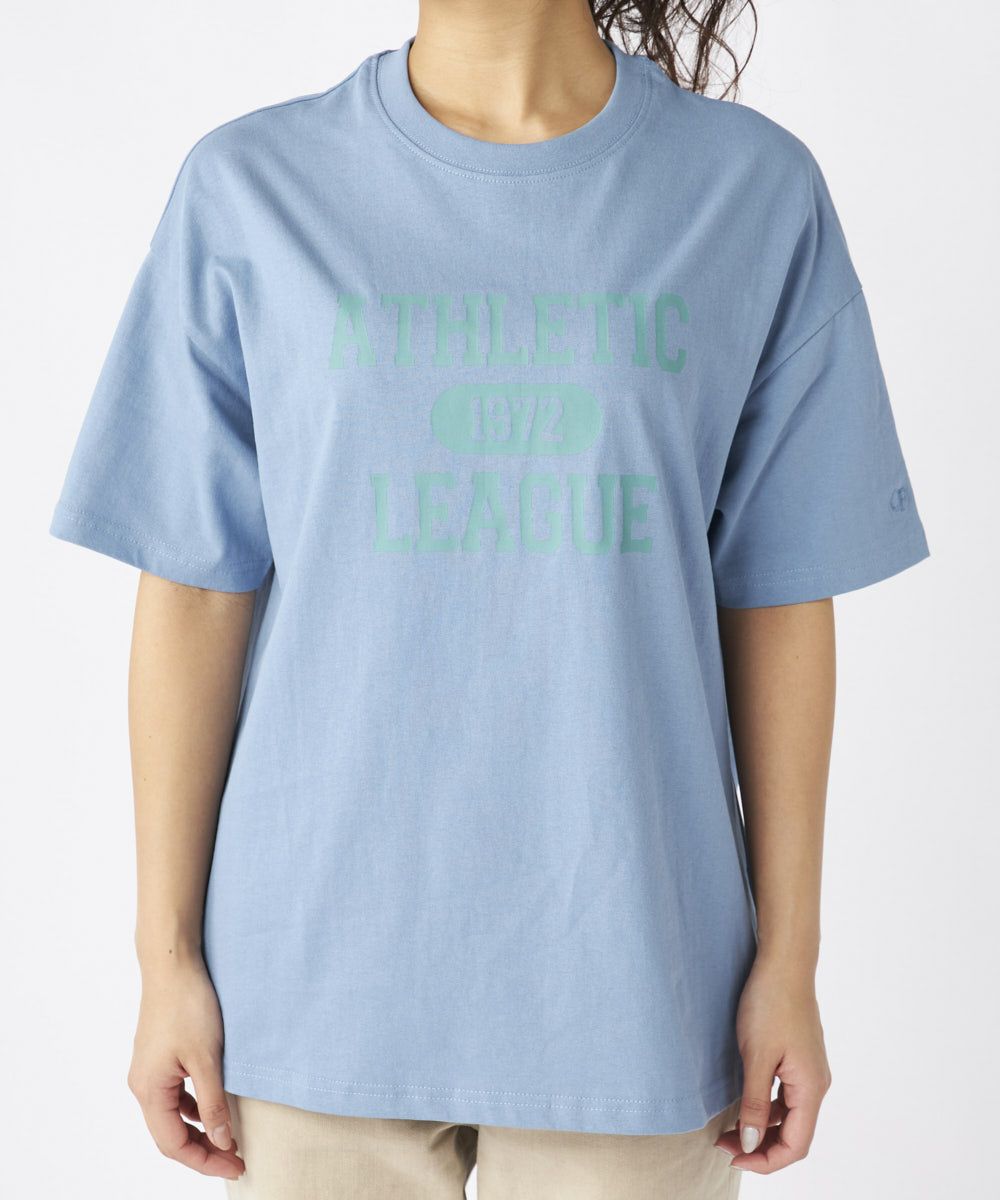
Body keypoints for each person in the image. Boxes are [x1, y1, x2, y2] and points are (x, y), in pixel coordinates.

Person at [49, 1, 929, 1196]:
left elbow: (776, 599)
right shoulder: (250, 186)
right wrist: (164, 963)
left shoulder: (750, 192)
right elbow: (196, 592)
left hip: (639, 985)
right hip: (311, 986)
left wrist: (789, 959)